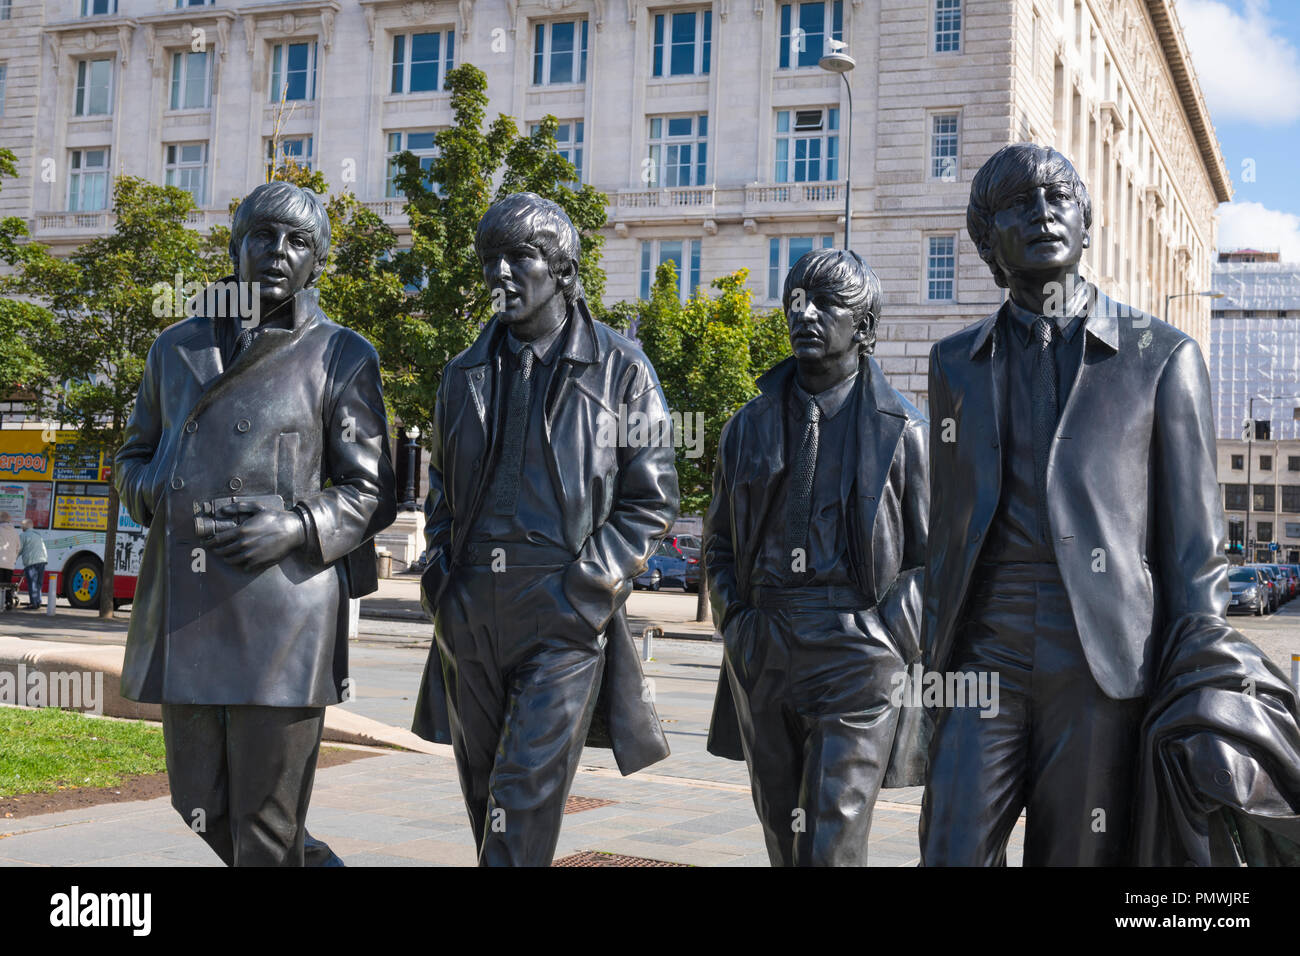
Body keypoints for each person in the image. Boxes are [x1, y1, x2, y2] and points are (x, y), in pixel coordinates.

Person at [919, 144, 1230, 866]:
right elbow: (947, 530)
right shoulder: (954, 363)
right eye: (1018, 204)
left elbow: (1195, 550)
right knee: (949, 849)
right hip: (980, 654)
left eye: (1059, 198)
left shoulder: (1162, 356)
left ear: (1086, 223)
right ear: (987, 238)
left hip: (1101, 663)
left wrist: (1201, 683)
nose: (1043, 213)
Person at [114, 180, 397, 866]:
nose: (277, 251)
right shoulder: (175, 347)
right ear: (235, 245)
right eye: (262, 234)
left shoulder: (341, 354)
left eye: (298, 241)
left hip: (284, 612)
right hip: (187, 606)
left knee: (265, 827)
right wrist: (164, 489)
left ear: (317, 263)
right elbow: (131, 457)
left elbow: (371, 489)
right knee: (198, 804)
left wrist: (298, 524)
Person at [412, 192, 679, 866]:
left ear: (561, 269)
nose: (500, 274)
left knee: (523, 790)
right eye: (490, 260)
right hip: (471, 606)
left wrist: (587, 590)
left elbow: (650, 500)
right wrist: (440, 578)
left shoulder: (622, 371)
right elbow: (440, 489)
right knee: (486, 799)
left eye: (519, 258)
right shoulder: (461, 374)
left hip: (561, 605)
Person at [704, 248, 929, 865]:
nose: (807, 313)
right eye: (798, 299)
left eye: (829, 304)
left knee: (831, 837)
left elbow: (935, 559)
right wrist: (738, 624)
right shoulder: (746, 426)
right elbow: (719, 543)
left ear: (864, 328)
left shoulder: (905, 429)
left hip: (857, 650)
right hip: (765, 641)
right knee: (782, 834)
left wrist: (889, 637)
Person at [17, 518, 47, 610]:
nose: (21, 527)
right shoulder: (38, 535)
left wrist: (14, 558)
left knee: (32, 583)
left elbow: (19, 549)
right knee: (38, 583)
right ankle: (38, 602)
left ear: (24, 527)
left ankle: (33, 603)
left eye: (22, 526)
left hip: (31, 562)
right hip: (42, 561)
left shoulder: (23, 535)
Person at [0, 512, 20, 610]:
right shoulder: (15, 532)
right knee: (7, 583)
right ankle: (8, 601)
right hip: (10, 563)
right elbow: (18, 548)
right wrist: (13, 558)